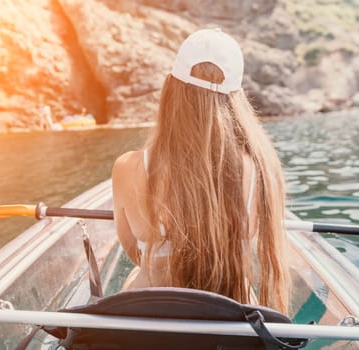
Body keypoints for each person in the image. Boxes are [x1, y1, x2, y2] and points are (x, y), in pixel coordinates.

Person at [112, 28, 290, 314]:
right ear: (237, 98)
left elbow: (133, 251)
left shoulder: (128, 168)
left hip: (151, 321)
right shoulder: (261, 169)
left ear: (171, 87)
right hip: (231, 319)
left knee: (136, 276)